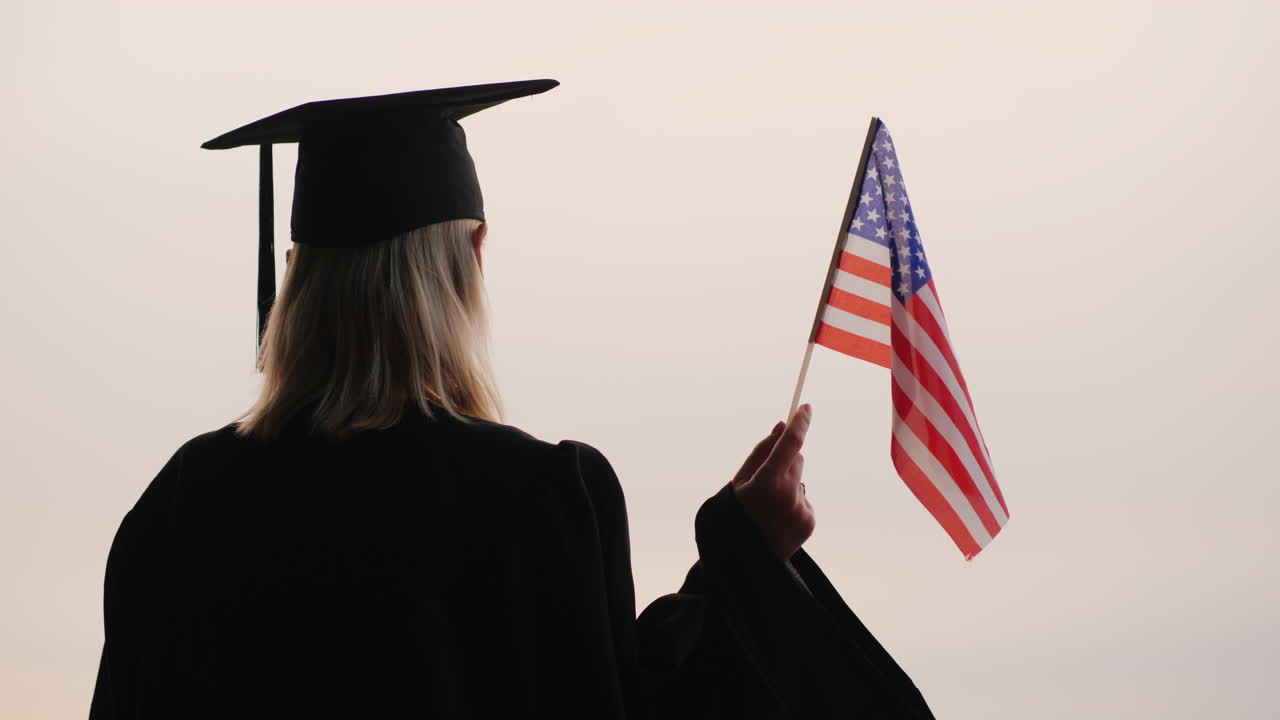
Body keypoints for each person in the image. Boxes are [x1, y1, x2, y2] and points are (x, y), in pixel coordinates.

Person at [89, 80, 935, 719]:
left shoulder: (181, 507)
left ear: (300, 279)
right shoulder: (533, 499)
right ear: (471, 259)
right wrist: (744, 562)